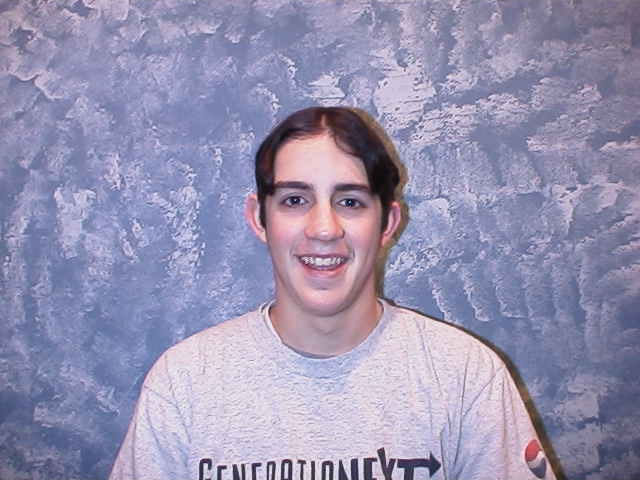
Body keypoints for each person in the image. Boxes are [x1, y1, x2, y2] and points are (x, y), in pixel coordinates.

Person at [109, 106, 556, 480]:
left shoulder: (465, 377)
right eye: (295, 200)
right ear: (259, 218)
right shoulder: (184, 383)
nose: (324, 229)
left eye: (350, 202)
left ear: (388, 224)